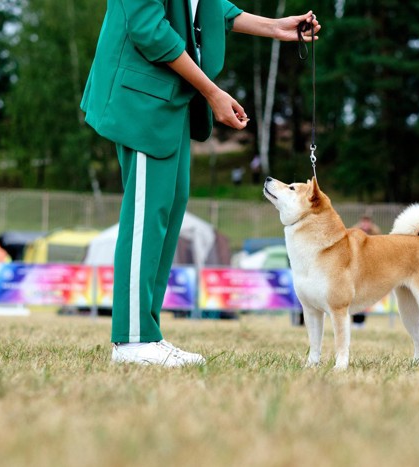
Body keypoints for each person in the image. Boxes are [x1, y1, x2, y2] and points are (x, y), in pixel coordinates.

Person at [80, 0, 320, 366]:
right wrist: (212, 92)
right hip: (140, 100)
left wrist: (276, 27)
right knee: (145, 220)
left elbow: (207, 7)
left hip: (169, 100)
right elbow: (148, 28)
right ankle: (130, 341)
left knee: (167, 212)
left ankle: (147, 335)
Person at [349, 214, 382, 328]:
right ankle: (355, 320)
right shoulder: (354, 233)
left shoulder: (376, 234)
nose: (365, 224)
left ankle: (361, 322)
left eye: (367, 222)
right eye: (364, 222)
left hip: (369, 269)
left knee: (364, 296)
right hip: (357, 268)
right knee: (355, 296)